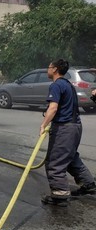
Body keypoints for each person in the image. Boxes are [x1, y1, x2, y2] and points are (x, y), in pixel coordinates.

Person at [39, 59, 96, 206]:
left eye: (49, 67)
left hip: (64, 129)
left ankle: (60, 195)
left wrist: (43, 125)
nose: (47, 69)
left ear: (55, 69)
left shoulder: (56, 85)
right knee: (70, 158)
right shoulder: (68, 84)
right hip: (75, 126)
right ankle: (88, 185)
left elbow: (53, 108)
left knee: (55, 161)